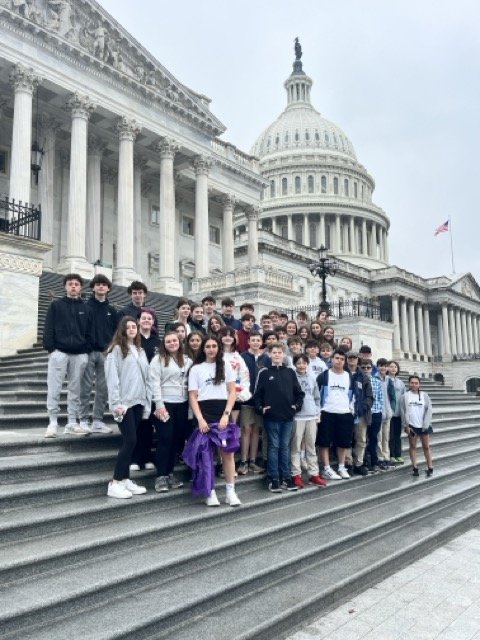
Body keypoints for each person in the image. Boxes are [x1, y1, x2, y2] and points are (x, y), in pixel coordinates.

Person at [187, 336, 241, 506]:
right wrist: (200, 419)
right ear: (203, 348)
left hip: (222, 412)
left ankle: (230, 491)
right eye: (208, 346)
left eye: (214, 346)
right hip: (204, 414)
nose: (211, 349)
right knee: (206, 455)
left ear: (218, 348)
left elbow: (232, 392)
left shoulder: (225, 366)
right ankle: (210, 492)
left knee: (227, 454)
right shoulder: (196, 369)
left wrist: (226, 414)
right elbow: (193, 396)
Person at [105, 317, 151, 499]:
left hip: (138, 401)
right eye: (128, 327)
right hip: (124, 403)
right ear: (122, 330)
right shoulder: (116, 349)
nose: (132, 329)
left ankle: (125, 480)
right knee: (130, 440)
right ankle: (115, 482)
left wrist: (147, 403)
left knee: (133, 439)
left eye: (134, 326)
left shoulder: (140, 350)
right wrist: (116, 403)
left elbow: (146, 377)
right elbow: (112, 378)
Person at [43, 273, 93, 438]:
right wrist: (51, 349)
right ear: (65, 287)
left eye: (76, 284)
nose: (73, 286)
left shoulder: (86, 309)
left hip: (79, 354)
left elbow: (89, 333)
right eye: (70, 283)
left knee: (75, 390)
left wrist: (86, 351)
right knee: (54, 388)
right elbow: (48, 327)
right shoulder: (56, 305)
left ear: (80, 288)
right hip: (59, 352)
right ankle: (53, 422)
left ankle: (72, 422)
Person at [254, 342, 304, 493]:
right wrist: (261, 409)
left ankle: (286, 478)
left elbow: (299, 393)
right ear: (269, 354)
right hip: (271, 417)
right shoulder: (264, 373)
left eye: (279, 352)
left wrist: (296, 406)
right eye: (274, 352)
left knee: (285, 447)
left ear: (284, 355)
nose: (277, 355)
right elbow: (257, 396)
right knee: (274, 446)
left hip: (287, 416)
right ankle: (273, 478)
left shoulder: (290, 372)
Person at [150, 330, 193, 492]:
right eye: (168, 341)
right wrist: (159, 405)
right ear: (164, 344)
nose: (172, 344)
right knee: (165, 439)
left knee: (176, 440)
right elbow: (154, 383)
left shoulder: (187, 360)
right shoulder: (158, 360)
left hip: (181, 404)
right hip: (165, 404)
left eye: (174, 340)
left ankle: (170, 473)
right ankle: (160, 476)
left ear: (179, 342)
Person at [79, 274, 117, 434]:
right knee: (85, 387)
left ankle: (97, 420)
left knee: (103, 388)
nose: (101, 287)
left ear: (108, 288)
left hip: (105, 353)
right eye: (98, 284)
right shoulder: (85, 307)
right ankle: (82, 420)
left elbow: (116, 332)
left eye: (104, 284)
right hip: (88, 352)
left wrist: (111, 349)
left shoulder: (112, 310)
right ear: (93, 287)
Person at [316, 349, 355, 480]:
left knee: (343, 443)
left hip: (344, 412)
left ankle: (341, 466)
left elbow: (353, 394)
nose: (339, 361)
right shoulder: (324, 375)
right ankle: (326, 468)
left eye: (342, 359)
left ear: (345, 362)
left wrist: (351, 410)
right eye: (337, 358)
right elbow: (317, 394)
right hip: (327, 412)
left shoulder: (348, 376)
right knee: (325, 442)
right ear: (332, 359)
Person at [130, 308, 160, 472]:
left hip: (152, 387)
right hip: (136, 386)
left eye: (150, 318)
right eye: (144, 318)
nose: (147, 321)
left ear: (153, 322)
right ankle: (135, 458)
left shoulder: (158, 341)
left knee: (148, 423)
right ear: (138, 321)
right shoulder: (134, 339)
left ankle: (147, 456)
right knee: (136, 423)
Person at [291, 354, 326, 488]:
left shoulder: (312, 378)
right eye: (298, 363)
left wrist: (317, 411)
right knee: (295, 447)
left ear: (307, 364)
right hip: (297, 417)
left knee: (311, 447)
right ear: (295, 364)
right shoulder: (292, 377)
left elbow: (317, 397)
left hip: (311, 416)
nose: (301, 365)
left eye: (304, 363)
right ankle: (296, 474)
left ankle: (314, 474)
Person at [238, 331, 270, 475]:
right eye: (253, 340)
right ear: (249, 341)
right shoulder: (242, 357)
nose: (256, 342)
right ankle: (243, 461)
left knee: (257, 430)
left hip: (261, 401)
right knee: (246, 430)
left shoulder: (266, 358)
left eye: (258, 340)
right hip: (246, 399)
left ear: (261, 342)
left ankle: (252, 461)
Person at [400, 375, 433, 477]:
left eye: (416, 383)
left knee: (426, 446)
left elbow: (429, 410)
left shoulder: (425, 396)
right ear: (409, 384)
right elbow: (402, 411)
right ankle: (415, 467)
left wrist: (426, 424)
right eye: (412, 383)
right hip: (412, 426)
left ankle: (430, 467)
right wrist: (406, 425)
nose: (414, 385)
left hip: (423, 425)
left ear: (419, 384)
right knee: (413, 446)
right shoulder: (405, 396)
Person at [218, 326, 251, 426]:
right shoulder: (216, 355)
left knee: (233, 424)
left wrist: (243, 393)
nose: (228, 338)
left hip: (235, 396)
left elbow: (244, 376)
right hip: (219, 396)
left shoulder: (238, 356)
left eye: (230, 336)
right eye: (225, 335)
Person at [347, 352, 373, 476]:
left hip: (360, 413)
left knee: (361, 439)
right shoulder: (343, 373)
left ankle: (359, 463)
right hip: (345, 412)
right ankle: (348, 463)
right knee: (346, 439)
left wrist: (363, 408)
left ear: (358, 360)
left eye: (354, 358)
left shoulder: (364, 376)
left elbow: (369, 396)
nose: (352, 360)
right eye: (350, 358)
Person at [360, 359, 384, 472]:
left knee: (373, 438)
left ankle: (374, 461)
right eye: (363, 367)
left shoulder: (377, 381)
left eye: (368, 367)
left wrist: (379, 412)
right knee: (362, 438)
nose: (366, 370)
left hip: (375, 413)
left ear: (372, 369)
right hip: (363, 413)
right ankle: (363, 461)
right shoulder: (357, 380)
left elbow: (380, 398)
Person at [375, 358, 396, 468]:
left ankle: (386, 457)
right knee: (379, 437)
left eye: (384, 366)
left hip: (387, 413)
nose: (383, 368)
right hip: (378, 413)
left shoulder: (389, 380)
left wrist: (392, 409)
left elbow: (393, 397)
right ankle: (380, 458)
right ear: (377, 367)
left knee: (386, 437)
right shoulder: (374, 378)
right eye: (380, 365)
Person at [388, 360, 406, 464]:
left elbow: (404, 398)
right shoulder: (386, 380)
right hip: (389, 413)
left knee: (397, 435)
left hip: (398, 413)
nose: (393, 368)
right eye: (391, 367)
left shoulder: (401, 383)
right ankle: (391, 455)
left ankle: (398, 454)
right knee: (390, 436)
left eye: (395, 367)